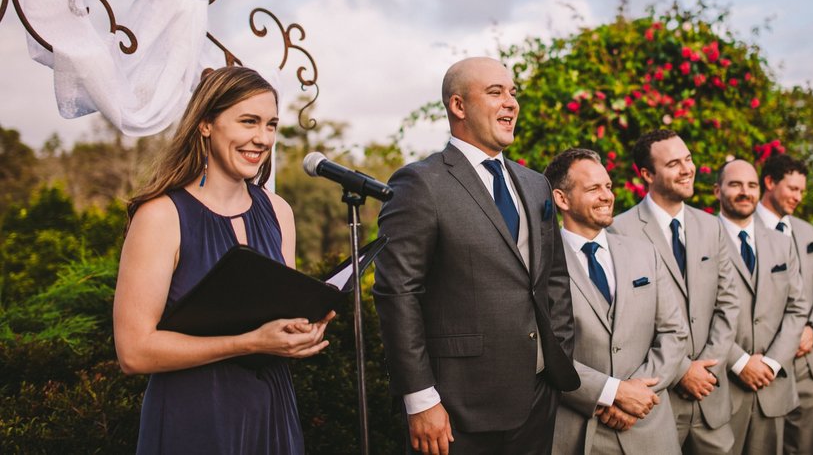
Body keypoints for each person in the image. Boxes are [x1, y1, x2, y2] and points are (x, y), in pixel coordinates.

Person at [113, 66, 334, 454]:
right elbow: (133, 352)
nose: (262, 138)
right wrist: (248, 342)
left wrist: (302, 330)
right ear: (205, 125)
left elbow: (278, 315)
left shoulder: (279, 211)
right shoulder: (161, 216)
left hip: (272, 410)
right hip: (195, 414)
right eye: (248, 122)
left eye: (270, 125)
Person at [372, 56, 579, 455]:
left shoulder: (535, 184)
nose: (511, 103)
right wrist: (420, 398)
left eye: (513, 93)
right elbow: (398, 293)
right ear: (458, 105)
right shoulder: (420, 183)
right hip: (456, 409)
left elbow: (553, 280)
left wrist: (558, 360)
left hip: (537, 399)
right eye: (495, 92)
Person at [545, 148, 688, 455]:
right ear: (562, 199)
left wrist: (636, 394)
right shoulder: (542, 265)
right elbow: (542, 351)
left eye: (608, 186)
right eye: (593, 188)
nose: (607, 195)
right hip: (582, 433)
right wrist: (612, 393)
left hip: (650, 429)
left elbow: (675, 332)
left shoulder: (645, 253)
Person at [608, 129, 739, 454]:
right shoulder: (618, 231)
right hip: (658, 400)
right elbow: (627, 320)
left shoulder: (712, 227)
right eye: (674, 164)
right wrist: (682, 370)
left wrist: (708, 366)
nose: (687, 169)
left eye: (689, 159)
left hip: (712, 393)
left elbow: (729, 303)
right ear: (647, 174)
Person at [716, 160, 807, 455]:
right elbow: (694, 313)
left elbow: (797, 307)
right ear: (718, 191)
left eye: (751, 185)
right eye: (735, 185)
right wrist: (741, 362)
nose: (745, 192)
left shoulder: (782, 242)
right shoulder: (701, 240)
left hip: (773, 383)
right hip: (723, 385)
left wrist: (773, 362)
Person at [756, 154, 813, 455]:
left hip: (809, 360)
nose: (799, 197)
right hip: (766, 360)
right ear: (770, 182)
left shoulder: (806, 231)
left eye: (802, 191)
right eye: (792, 189)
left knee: (808, 448)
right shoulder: (744, 229)